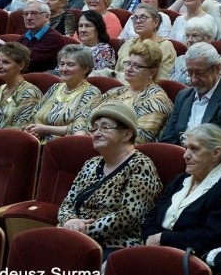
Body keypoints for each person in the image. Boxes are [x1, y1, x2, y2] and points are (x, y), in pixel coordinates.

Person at [58, 101, 162, 256]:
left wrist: (83, 231)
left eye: (105, 128)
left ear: (127, 134)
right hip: (75, 237)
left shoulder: (140, 165)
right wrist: (69, 221)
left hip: (117, 245)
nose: (97, 133)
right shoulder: (91, 164)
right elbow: (67, 202)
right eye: (95, 128)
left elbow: (128, 216)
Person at [143, 123, 221, 254]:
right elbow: (151, 216)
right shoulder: (181, 179)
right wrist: (151, 239)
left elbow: (214, 236)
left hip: (193, 259)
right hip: (155, 249)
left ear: (215, 153)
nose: (185, 155)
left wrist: (164, 239)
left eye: (194, 149)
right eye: (186, 148)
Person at [161, 43, 221, 145]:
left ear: (217, 68)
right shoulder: (183, 96)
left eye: (200, 73)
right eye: (190, 72)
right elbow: (168, 138)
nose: (193, 79)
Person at [100, 40, 173, 143]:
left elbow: (138, 140)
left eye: (137, 66)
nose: (129, 69)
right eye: (128, 63)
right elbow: (89, 117)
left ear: (152, 72)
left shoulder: (156, 100)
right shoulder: (116, 91)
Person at [25, 45, 101, 142]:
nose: (64, 69)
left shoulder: (90, 92)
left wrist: (45, 129)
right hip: (36, 141)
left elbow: (80, 129)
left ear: (85, 69)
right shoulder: (55, 87)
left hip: (63, 145)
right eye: (61, 64)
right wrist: (32, 130)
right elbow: (33, 116)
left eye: (70, 65)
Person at [116, 4, 176, 82]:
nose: (138, 21)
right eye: (135, 18)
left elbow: (162, 80)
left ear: (155, 22)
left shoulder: (165, 46)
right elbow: (116, 72)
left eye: (143, 17)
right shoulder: (128, 43)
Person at [18, 0, 66, 73]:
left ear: (46, 17)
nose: (28, 18)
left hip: (39, 81)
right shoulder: (24, 36)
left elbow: (27, 60)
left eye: (34, 13)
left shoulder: (54, 38)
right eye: (26, 14)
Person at [168, 17, 218, 83]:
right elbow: (170, 81)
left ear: (208, 38)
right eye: (187, 36)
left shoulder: (215, 59)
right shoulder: (179, 59)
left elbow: (211, 83)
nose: (189, 40)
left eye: (195, 36)